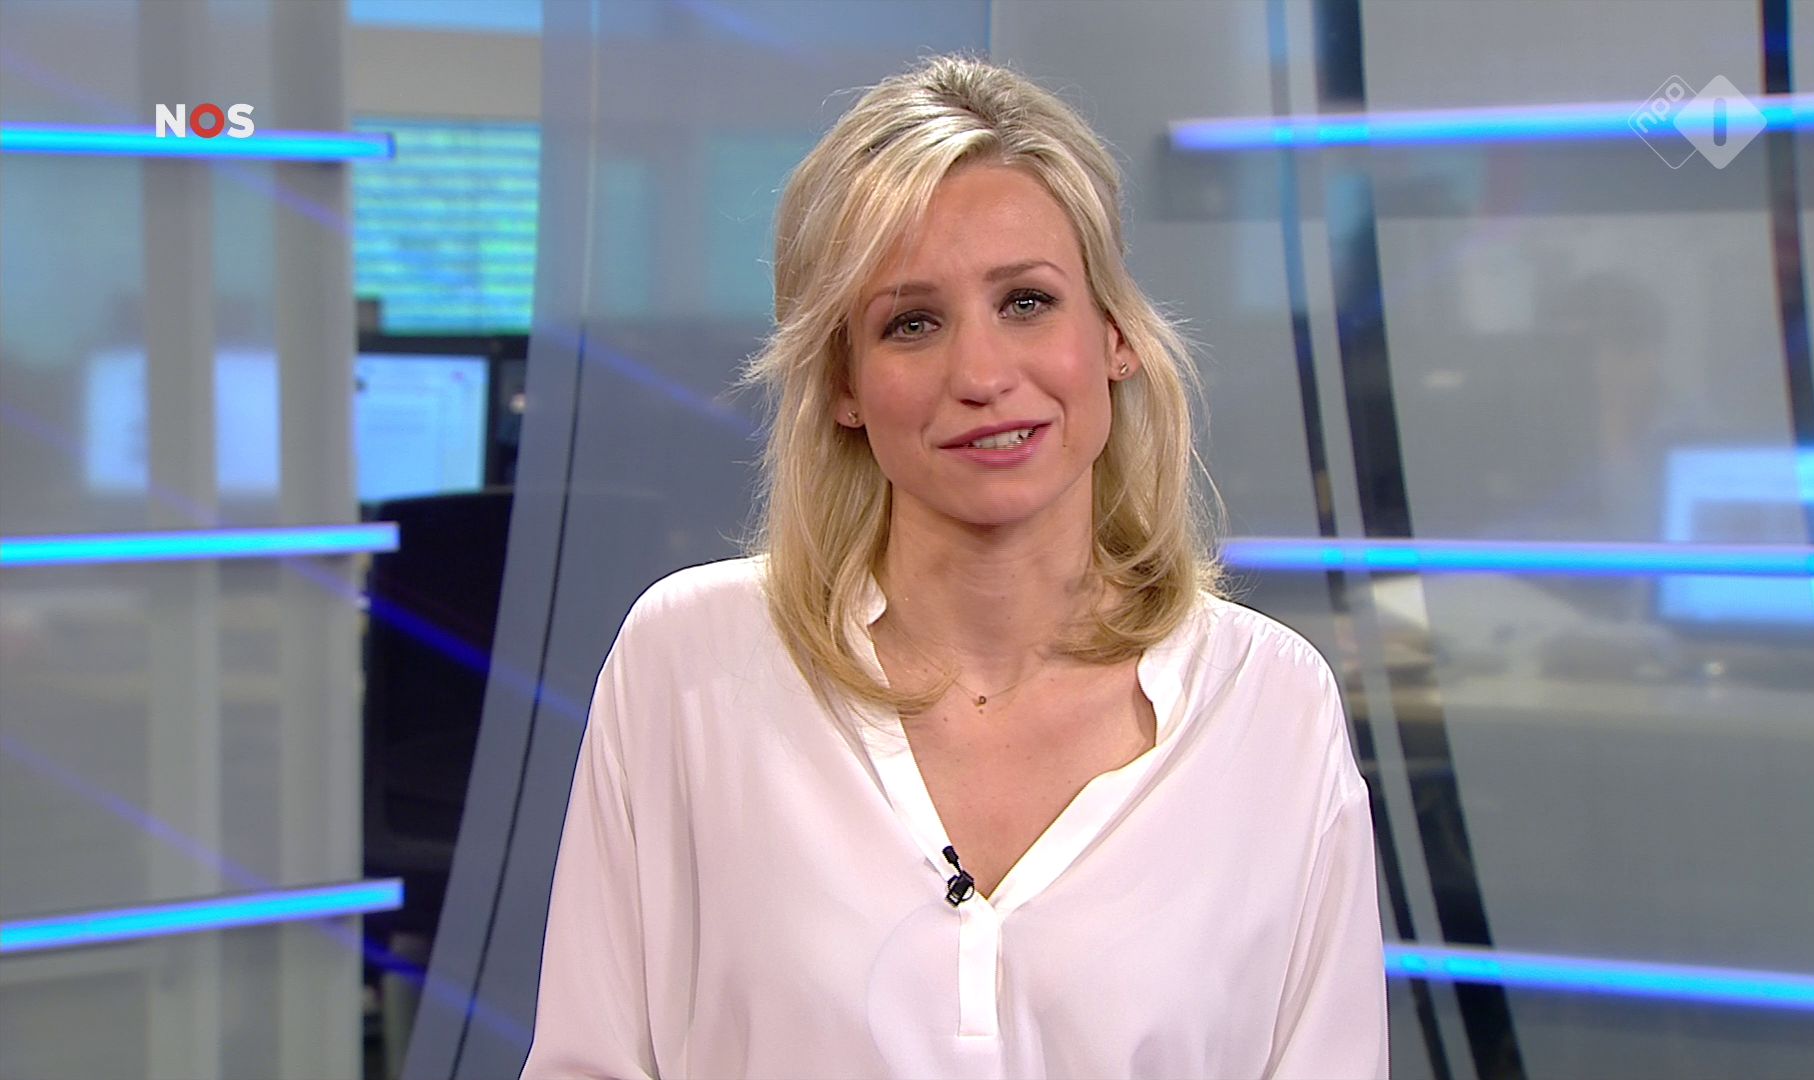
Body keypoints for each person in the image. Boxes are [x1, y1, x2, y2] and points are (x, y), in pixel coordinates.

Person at [522, 54, 1387, 1079]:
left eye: (1027, 302)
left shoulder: (1270, 705)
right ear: (843, 385)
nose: (981, 375)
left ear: (1113, 336)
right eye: (912, 323)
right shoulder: (690, 663)